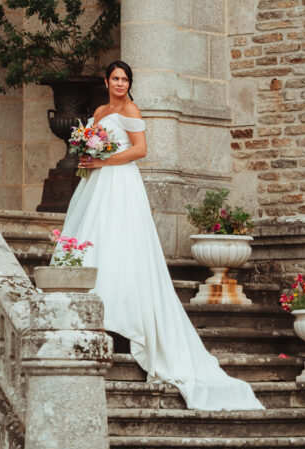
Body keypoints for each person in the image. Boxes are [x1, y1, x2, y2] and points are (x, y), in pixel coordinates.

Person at [54, 59, 264, 412]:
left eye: (125, 79)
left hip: (120, 183)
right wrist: (89, 157)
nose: (120, 84)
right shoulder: (101, 109)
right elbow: (96, 145)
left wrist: (103, 161)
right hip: (96, 184)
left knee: (120, 243)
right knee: (94, 240)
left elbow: (140, 150)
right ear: (106, 81)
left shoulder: (130, 108)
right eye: (115, 78)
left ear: (129, 83)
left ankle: (123, 321)